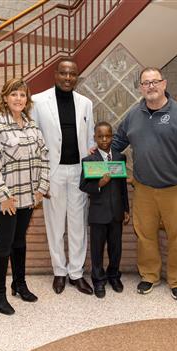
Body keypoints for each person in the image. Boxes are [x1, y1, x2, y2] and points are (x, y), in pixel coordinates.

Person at [111, 67, 177, 301]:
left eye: (155, 81)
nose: (151, 86)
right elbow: (118, 141)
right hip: (143, 188)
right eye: (146, 83)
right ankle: (149, 276)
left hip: (176, 189)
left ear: (164, 84)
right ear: (140, 88)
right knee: (145, 236)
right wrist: (100, 151)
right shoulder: (133, 115)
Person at [0, 78, 50, 315]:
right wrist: (3, 196)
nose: (18, 99)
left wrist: (42, 187)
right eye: (14, 94)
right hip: (5, 200)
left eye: (22, 95)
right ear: (5, 98)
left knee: (20, 242)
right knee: (4, 244)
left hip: (27, 197)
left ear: (27, 99)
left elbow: (44, 156)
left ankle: (19, 285)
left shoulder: (30, 125)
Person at [30, 57, 94, 295]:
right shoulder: (37, 101)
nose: (68, 78)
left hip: (78, 171)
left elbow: (89, 140)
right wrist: (40, 179)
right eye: (64, 73)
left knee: (78, 224)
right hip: (52, 172)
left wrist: (92, 172)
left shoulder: (86, 103)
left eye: (73, 74)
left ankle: (76, 273)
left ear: (77, 77)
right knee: (55, 224)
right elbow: (35, 141)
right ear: (55, 74)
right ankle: (59, 271)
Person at [79, 121, 130, 298]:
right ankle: (99, 280)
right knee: (97, 250)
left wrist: (125, 209)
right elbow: (83, 185)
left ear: (112, 137)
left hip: (116, 213)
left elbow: (123, 186)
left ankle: (114, 276)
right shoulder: (89, 160)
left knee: (116, 248)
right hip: (98, 214)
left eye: (108, 136)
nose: (104, 139)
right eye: (100, 136)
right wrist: (98, 185)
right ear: (95, 138)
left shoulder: (120, 157)